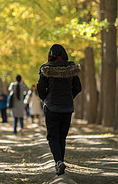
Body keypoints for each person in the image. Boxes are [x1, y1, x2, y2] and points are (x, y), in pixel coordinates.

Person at [37, 44, 81, 176]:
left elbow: (40, 88)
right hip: (67, 108)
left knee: (53, 137)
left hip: (52, 108)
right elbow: (78, 87)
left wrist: (45, 98)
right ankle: (60, 162)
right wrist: (69, 97)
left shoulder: (46, 69)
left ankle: (58, 162)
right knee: (62, 136)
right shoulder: (71, 68)